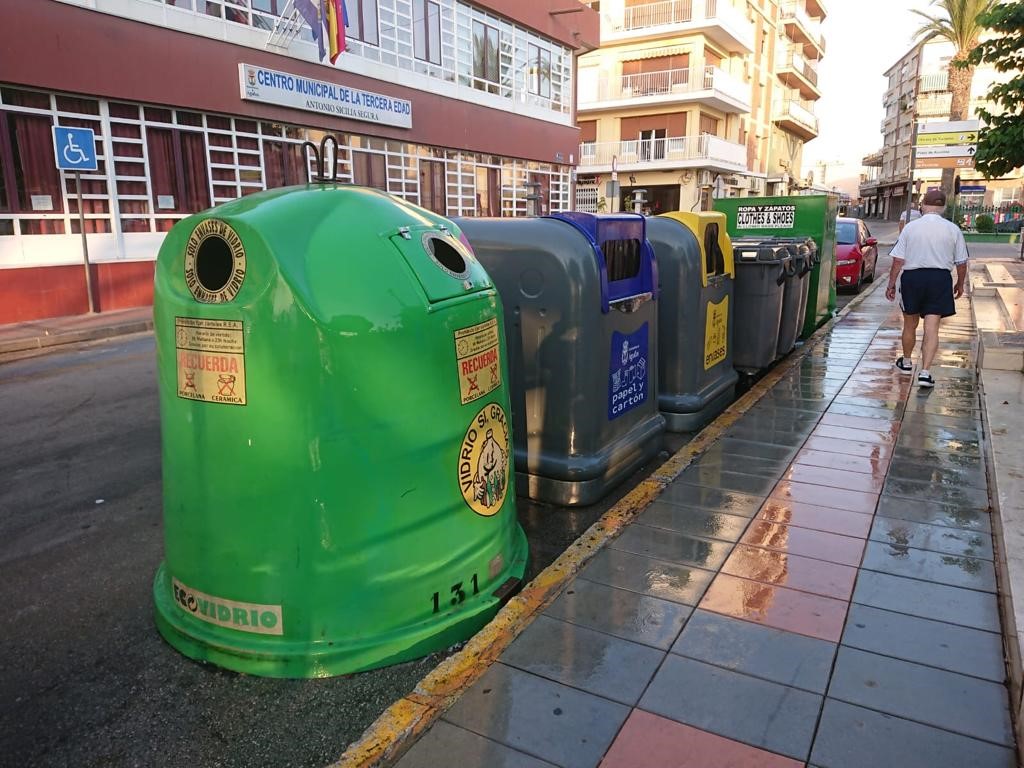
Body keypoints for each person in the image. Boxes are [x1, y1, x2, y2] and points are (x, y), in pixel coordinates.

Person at [885, 188, 969, 388]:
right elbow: (962, 262)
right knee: (932, 328)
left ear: (922, 206)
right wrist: (960, 283)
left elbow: (898, 260)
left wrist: (891, 284)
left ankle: (906, 362)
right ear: (943, 207)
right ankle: (925, 372)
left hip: (913, 279)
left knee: (910, 324)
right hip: (939, 279)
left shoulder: (910, 228)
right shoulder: (953, 229)